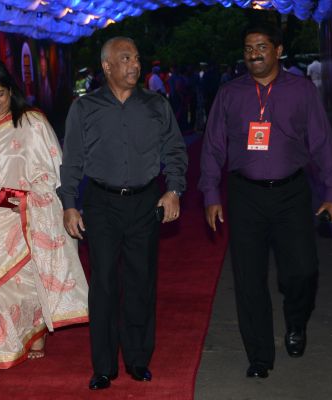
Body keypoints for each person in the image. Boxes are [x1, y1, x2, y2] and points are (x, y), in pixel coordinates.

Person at [198, 23, 332, 379]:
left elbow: (322, 143)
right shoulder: (230, 93)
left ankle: (296, 321)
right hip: (245, 195)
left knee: (302, 270)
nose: (254, 54)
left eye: (262, 47)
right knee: (248, 278)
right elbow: (213, 146)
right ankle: (260, 356)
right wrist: (211, 193)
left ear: (278, 50)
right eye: (249, 48)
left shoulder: (301, 90)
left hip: (291, 193)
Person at [0, 59, 89, 380]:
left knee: (22, 279)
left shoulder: (30, 121)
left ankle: (35, 329)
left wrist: (25, 198)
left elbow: (51, 170)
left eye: (0, 94)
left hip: (19, 213)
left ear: (11, 91)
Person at [60, 36, 188, 390]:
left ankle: (137, 359)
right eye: (126, 58)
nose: (135, 65)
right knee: (103, 283)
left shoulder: (156, 104)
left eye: (137, 58)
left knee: (140, 281)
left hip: (145, 203)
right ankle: (103, 367)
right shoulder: (85, 108)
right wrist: (69, 204)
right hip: (101, 203)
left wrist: (174, 190)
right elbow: (72, 160)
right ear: (107, 66)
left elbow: (175, 150)